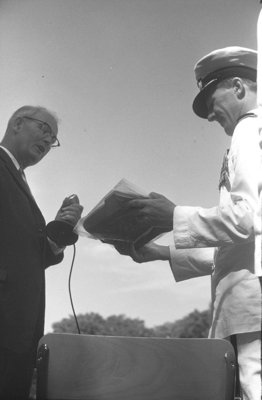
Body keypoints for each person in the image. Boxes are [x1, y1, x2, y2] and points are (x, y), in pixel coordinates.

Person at [114, 47, 262, 400]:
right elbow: (244, 246)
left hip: (250, 310)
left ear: (239, 87)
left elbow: (246, 219)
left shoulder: (248, 129)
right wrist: (160, 252)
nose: (209, 115)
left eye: (211, 99)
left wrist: (174, 215)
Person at [0, 105, 83, 400]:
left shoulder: (18, 177)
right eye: (44, 130)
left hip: (21, 327)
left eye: (53, 139)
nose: (48, 142)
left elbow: (24, 255)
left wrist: (60, 228)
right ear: (18, 124)